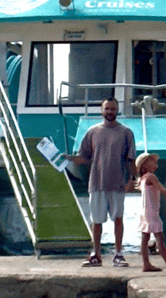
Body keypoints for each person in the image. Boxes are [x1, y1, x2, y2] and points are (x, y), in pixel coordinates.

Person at [66, 97, 136, 268]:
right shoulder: (92, 132)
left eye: (113, 109)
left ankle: (118, 254)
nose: (110, 112)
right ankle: (96, 254)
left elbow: (131, 159)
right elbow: (84, 157)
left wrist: (132, 180)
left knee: (118, 219)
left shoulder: (126, 132)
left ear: (117, 110)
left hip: (118, 184)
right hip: (96, 183)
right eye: (107, 108)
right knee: (96, 221)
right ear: (101, 110)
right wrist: (67, 158)